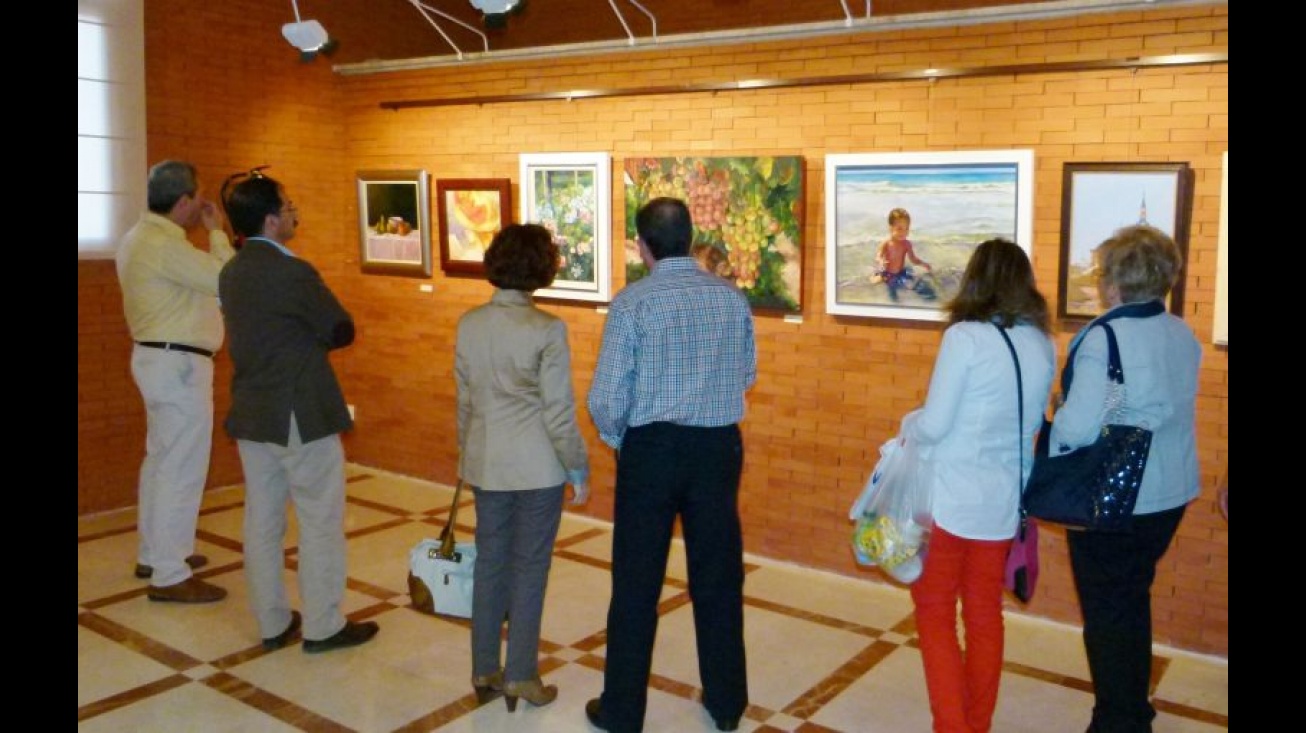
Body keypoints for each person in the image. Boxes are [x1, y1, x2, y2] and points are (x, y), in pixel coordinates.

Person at [585, 197, 756, 733]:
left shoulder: (632, 304)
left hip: (652, 451)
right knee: (719, 578)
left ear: (643, 245)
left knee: (636, 584)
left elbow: (606, 397)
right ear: (688, 237)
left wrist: (621, 441)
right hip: (716, 450)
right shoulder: (732, 300)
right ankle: (726, 705)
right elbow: (747, 373)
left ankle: (622, 712)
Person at [218, 169, 378, 654]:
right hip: (299, 411)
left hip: (252, 411)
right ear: (270, 220)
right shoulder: (292, 270)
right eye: (287, 208)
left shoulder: (232, 269)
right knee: (319, 519)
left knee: (262, 521)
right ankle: (324, 625)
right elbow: (339, 326)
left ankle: (272, 621)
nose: (293, 214)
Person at [1050, 225, 1201, 733]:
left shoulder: (1103, 335)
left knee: (1108, 614)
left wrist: (1058, 412)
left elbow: (1077, 427)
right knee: (1131, 599)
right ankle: (1133, 709)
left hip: (1116, 498)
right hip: (1171, 492)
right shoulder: (1182, 332)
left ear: (1114, 280)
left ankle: (1118, 720)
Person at [905, 238, 1055, 733]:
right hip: (1002, 502)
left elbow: (936, 423)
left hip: (950, 499)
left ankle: (952, 725)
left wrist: (910, 424)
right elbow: (1032, 424)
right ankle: (977, 722)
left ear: (975, 279)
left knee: (934, 613)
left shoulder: (964, 337)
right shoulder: (1041, 343)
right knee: (985, 614)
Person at [454, 223, 591, 710]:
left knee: (490, 563)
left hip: (487, 463)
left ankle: (484, 667)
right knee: (530, 568)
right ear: (540, 269)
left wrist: (463, 455)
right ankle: (522, 674)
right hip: (538, 469)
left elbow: (465, 403)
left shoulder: (469, 324)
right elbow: (557, 412)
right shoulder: (547, 329)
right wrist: (578, 466)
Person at [115, 159, 234, 603]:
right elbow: (229, 280)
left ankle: (158, 553)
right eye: (197, 198)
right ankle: (169, 573)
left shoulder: (139, 237)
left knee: (163, 461)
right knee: (181, 467)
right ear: (183, 201)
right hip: (177, 365)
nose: (201, 205)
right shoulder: (164, 245)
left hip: (159, 361)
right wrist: (218, 232)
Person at [871, 207, 933, 301]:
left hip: (900, 272)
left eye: (906, 228)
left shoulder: (907, 244)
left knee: (913, 284)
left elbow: (913, 259)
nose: (903, 232)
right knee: (889, 292)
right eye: (899, 229)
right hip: (887, 272)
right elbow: (878, 255)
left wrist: (923, 264)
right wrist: (881, 261)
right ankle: (876, 277)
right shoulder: (886, 243)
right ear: (891, 228)